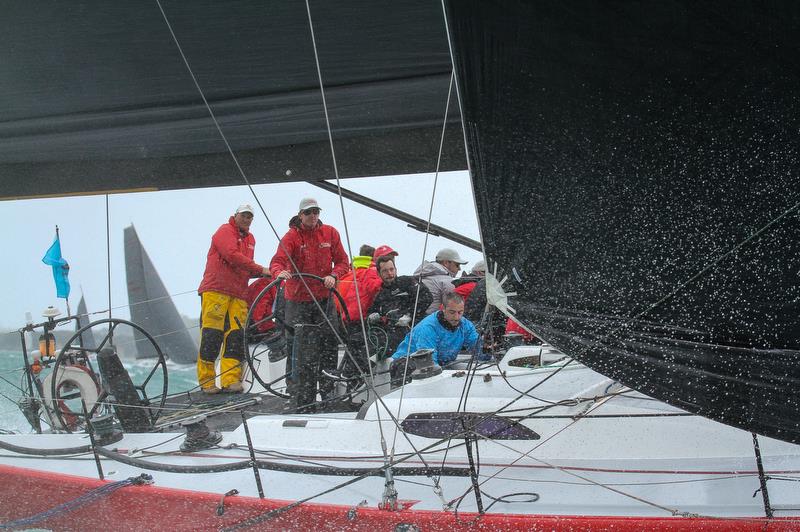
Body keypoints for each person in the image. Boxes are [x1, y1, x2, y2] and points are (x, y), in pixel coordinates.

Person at [270, 198, 350, 412]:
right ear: (300, 215)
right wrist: (280, 273)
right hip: (297, 303)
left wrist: (334, 274)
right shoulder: (291, 238)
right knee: (297, 348)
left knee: (328, 345)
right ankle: (296, 393)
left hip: (324, 301)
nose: (312, 216)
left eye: (315, 212)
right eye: (308, 213)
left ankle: (328, 390)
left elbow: (343, 261)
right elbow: (276, 262)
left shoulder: (330, 233)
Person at [197, 204, 270, 394]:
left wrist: (266, 273)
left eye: (250, 217)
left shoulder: (251, 239)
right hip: (216, 290)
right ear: (235, 215)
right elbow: (232, 255)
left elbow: (243, 266)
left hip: (238, 293)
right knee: (212, 335)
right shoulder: (224, 231)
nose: (247, 219)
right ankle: (207, 381)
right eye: (244, 215)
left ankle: (230, 379)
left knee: (236, 337)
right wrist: (262, 270)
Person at [389, 292, 481, 382]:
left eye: (460, 312)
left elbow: (477, 348)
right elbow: (428, 362)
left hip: (440, 363)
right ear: (443, 309)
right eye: (452, 312)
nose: (457, 317)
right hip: (405, 365)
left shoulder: (466, 325)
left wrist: (485, 347)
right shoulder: (428, 328)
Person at [368, 255, 432, 356]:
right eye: (385, 271)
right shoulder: (380, 295)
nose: (389, 273)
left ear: (396, 269)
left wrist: (409, 315)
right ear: (379, 273)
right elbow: (373, 314)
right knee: (362, 340)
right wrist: (373, 317)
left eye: (391, 269)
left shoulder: (406, 282)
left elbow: (427, 297)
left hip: (414, 328)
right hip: (391, 331)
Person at [413, 248, 467, 314]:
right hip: (430, 319)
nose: (459, 269)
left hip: (415, 317)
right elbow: (452, 305)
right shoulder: (446, 281)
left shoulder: (422, 275)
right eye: (457, 265)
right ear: (446, 263)